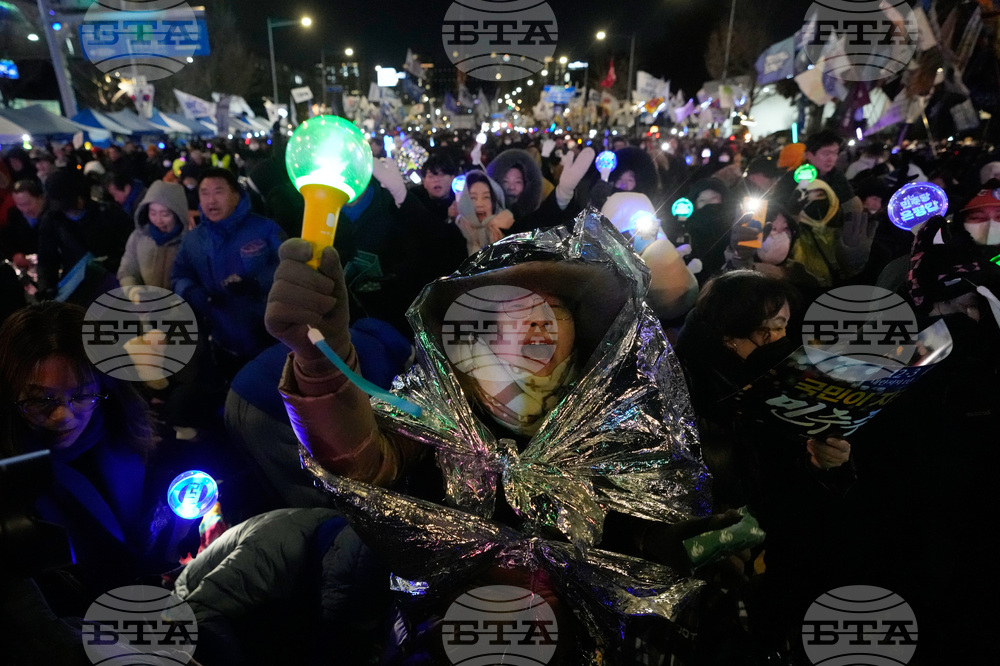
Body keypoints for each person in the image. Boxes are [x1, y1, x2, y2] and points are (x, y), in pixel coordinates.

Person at [265, 211, 739, 662]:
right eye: (508, 313)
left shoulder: (618, 409)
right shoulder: (440, 403)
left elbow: (639, 515)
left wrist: (663, 542)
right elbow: (364, 464)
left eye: (552, 309)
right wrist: (321, 366)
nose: (533, 325)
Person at [674, 270, 855, 659]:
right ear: (726, 336)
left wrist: (825, 463)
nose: (780, 342)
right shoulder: (680, 396)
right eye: (766, 332)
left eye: (784, 327)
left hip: (780, 581)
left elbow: (792, 494)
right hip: (708, 593)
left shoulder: (783, 385)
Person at [0, 302, 166, 593]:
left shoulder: (122, 431)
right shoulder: (11, 482)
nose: (63, 416)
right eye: (40, 400)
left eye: (81, 395)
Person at [171, 168, 285, 375]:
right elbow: (179, 275)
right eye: (204, 193)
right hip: (221, 340)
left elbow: (290, 268)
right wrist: (192, 293)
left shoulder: (265, 228)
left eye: (218, 192)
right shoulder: (193, 239)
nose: (211, 200)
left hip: (270, 339)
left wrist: (257, 283)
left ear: (235, 196)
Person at [36, 169, 133, 301]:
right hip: (77, 290)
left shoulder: (108, 213)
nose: (69, 211)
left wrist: (112, 262)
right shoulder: (53, 220)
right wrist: (46, 287)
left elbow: (132, 247)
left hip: (113, 285)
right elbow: (47, 259)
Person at [117, 180, 188, 296]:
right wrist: (133, 291)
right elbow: (127, 269)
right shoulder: (138, 237)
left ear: (178, 214)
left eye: (165, 214)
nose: (158, 220)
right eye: (153, 213)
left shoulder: (188, 243)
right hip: (148, 308)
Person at [453, 169, 514, 256]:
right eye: (473, 198)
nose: (479, 204)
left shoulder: (509, 231)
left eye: (486, 197)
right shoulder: (455, 233)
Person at [1, 179, 45, 270]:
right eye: (20, 205)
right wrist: (15, 254)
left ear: (40, 198)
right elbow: (7, 240)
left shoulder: (54, 215)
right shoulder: (14, 214)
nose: (25, 210)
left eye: (28, 204)